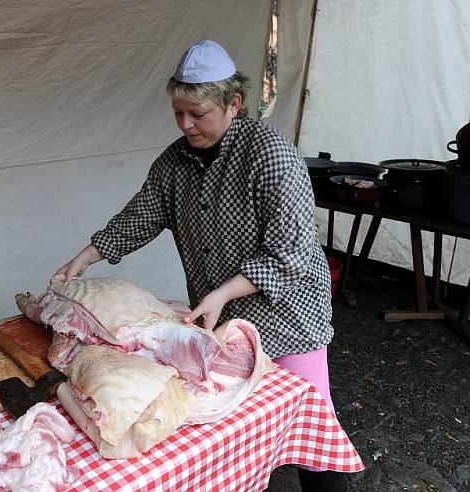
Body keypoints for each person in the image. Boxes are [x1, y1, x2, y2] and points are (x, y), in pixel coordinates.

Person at [52, 40, 349, 491]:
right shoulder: (176, 162)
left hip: (290, 316)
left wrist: (223, 293)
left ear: (234, 103)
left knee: (311, 426)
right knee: (241, 432)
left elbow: (289, 250)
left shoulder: (270, 155)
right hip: (225, 321)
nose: (186, 125)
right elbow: (141, 216)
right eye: (178, 113)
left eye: (198, 114)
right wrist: (86, 256)